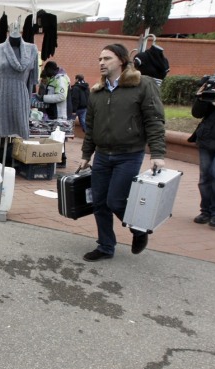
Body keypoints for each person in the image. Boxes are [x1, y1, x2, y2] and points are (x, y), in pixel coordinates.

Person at [78, 43, 166, 262]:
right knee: (99, 202)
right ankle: (106, 246)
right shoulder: (96, 92)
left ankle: (138, 231)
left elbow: (154, 120)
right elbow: (90, 128)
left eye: (107, 58)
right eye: (100, 59)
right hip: (103, 155)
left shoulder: (142, 85)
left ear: (121, 61)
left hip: (129, 153)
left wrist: (157, 153)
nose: (101, 63)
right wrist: (86, 156)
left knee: (115, 201)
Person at [190, 73, 215, 229]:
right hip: (207, 138)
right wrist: (201, 98)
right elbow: (196, 113)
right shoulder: (213, 84)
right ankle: (205, 211)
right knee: (205, 177)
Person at [38, 60, 70, 167]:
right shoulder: (55, 78)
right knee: (56, 136)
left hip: (59, 113)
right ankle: (57, 159)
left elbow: (61, 96)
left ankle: (61, 160)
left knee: (59, 137)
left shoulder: (60, 79)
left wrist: (44, 98)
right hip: (54, 112)